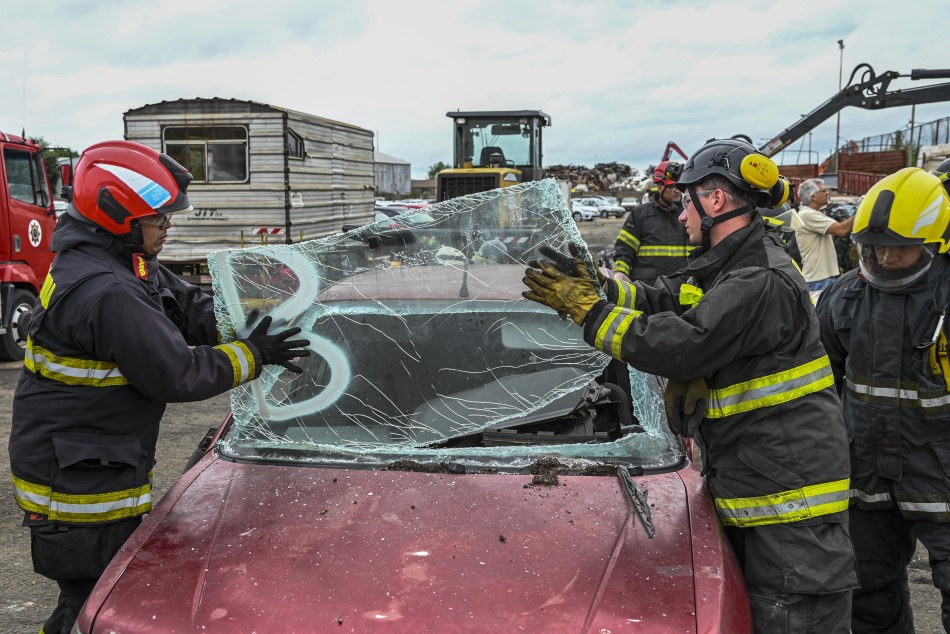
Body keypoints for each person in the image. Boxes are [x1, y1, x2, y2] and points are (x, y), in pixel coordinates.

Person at [523, 138, 857, 632]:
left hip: (790, 508)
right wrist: (602, 286)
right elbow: (668, 301)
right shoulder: (733, 266)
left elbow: (682, 342)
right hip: (760, 485)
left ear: (715, 200)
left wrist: (589, 312)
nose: (681, 216)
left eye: (686, 202)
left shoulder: (757, 279)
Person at [7, 140, 311, 634]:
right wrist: (255, 354)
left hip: (83, 460)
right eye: (159, 219)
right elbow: (177, 373)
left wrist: (249, 310)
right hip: (79, 490)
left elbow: (183, 303)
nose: (167, 227)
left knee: (81, 606)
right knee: (96, 607)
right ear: (118, 217)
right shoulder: (108, 292)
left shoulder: (114, 263)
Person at [815, 167, 950, 633]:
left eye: (900, 246)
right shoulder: (843, 298)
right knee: (868, 594)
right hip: (868, 479)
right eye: (875, 246)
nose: (887, 257)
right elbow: (819, 388)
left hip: (943, 479)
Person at [612, 160, 691, 283]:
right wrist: (621, 273)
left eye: (679, 186)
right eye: (672, 186)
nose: (677, 190)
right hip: (647, 288)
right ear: (660, 187)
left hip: (681, 286)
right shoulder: (640, 214)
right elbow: (625, 249)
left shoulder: (688, 213)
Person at [792, 178, 855, 292]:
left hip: (824, 278)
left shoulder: (815, 213)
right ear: (813, 196)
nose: (827, 193)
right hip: (819, 280)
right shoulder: (807, 215)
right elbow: (841, 230)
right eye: (823, 191)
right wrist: (863, 210)